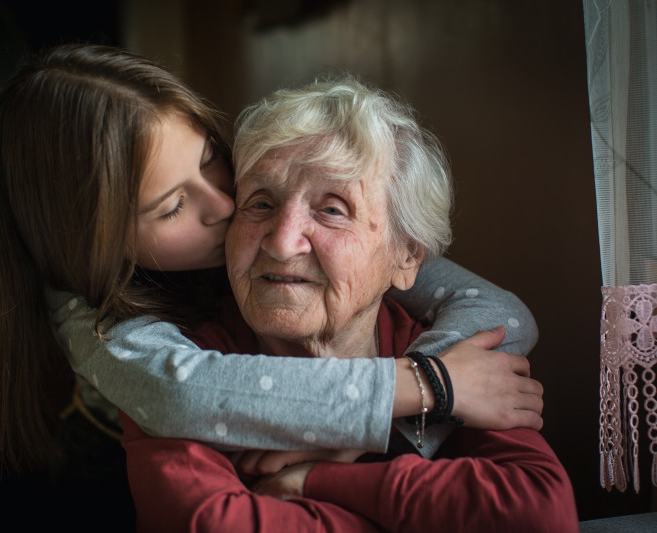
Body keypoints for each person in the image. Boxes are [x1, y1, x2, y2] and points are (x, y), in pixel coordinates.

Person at [0, 43, 541, 500]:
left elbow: (500, 314)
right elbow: (182, 397)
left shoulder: (349, 242)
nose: (226, 206)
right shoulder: (95, 318)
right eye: (172, 206)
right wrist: (429, 386)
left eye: (210, 162)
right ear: (93, 245)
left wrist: (397, 429)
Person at [117, 75, 579, 532]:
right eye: (260, 203)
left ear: (406, 257)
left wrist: (316, 481)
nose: (281, 242)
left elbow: (538, 513)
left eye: (332, 209)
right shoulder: (184, 370)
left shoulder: (452, 357)